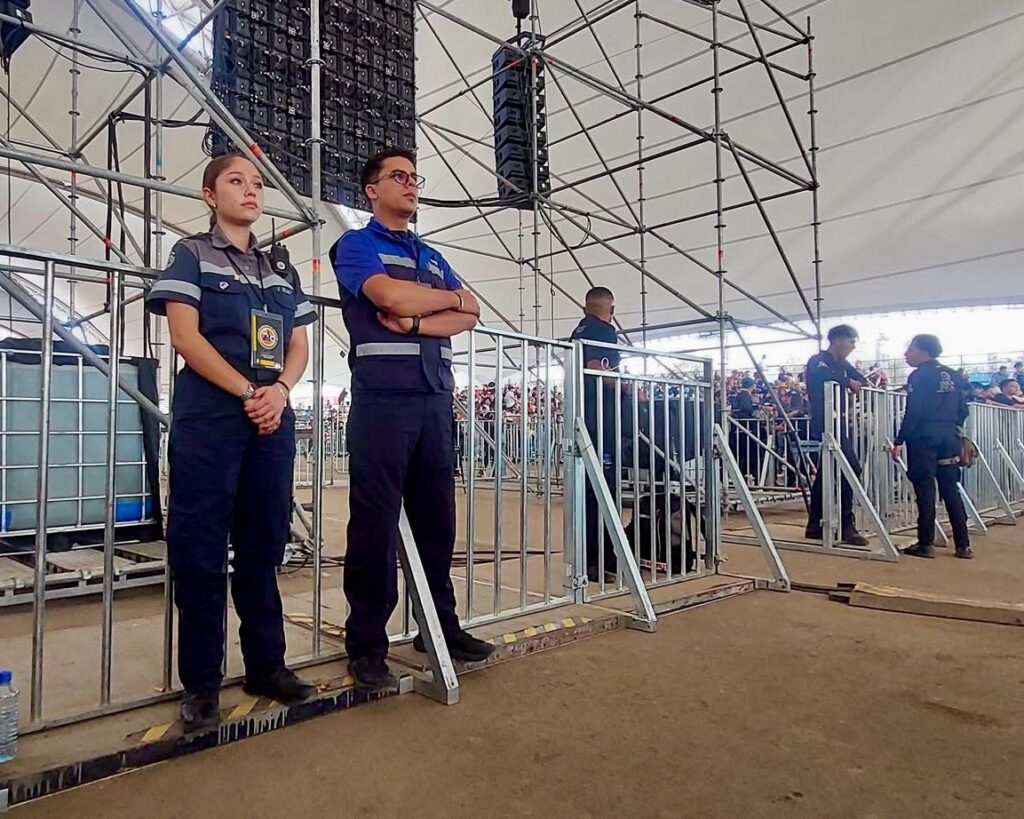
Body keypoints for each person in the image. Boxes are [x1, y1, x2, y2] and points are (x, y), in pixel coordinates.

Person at [146, 154, 317, 730]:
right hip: (212, 415)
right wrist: (249, 390)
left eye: (258, 183)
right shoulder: (191, 254)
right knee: (199, 548)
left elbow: (298, 343)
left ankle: (266, 667)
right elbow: (184, 336)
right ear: (209, 195)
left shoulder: (279, 270)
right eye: (236, 182)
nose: (251, 191)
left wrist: (281, 391)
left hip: (270, 418)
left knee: (263, 544)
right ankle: (201, 683)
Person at [329, 147, 494, 693]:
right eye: (398, 176)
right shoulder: (356, 245)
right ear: (371, 190)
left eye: (415, 178)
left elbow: (471, 311)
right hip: (384, 400)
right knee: (374, 527)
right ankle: (367, 646)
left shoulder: (431, 254)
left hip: (434, 400)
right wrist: (444, 302)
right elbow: (386, 296)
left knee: (437, 523)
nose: (411, 184)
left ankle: (439, 628)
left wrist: (419, 320)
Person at [891, 335, 973, 559]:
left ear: (924, 351)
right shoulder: (954, 375)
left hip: (924, 437)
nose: (906, 354)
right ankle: (963, 545)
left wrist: (899, 440)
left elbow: (914, 411)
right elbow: (963, 409)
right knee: (951, 490)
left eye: (910, 349)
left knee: (925, 490)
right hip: (949, 436)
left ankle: (925, 543)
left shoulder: (919, 376)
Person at [570, 286, 620, 582]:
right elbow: (597, 368)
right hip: (601, 420)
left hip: (581, 418)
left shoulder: (578, 332)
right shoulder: (604, 331)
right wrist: (626, 386)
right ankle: (601, 559)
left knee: (586, 490)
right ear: (611, 311)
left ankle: (587, 557)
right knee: (603, 491)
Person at [804, 325, 870, 545]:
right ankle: (846, 524)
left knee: (827, 473)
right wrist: (847, 382)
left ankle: (815, 524)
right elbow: (823, 375)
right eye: (851, 342)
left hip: (839, 420)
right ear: (838, 341)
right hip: (825, 420)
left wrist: (855, 381)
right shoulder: (818, 360)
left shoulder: (843, 364)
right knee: (851, 467)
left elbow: (861, 379)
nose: (852, 347)